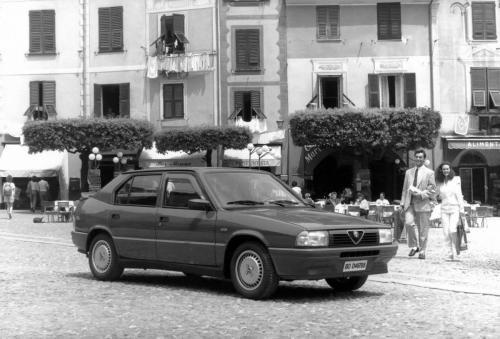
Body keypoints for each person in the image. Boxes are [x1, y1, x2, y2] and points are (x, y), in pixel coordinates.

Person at [400, 149, 436, 260]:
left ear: (424, 159)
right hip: (409, 203)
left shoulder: (429, 173)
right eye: (417, 157)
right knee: (409, 223)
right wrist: (402, 203)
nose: (418, 159)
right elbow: (405, 189)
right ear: (414, 158)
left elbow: (433, 190)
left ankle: (422, 251)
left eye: (421, 157)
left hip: (423, 203)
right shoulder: (408, 172)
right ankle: (414, 246)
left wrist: (421, 194)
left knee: (423, 229)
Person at [435, 162, 465, 261]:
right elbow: (436, 195)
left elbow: (459, 195)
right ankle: (450, 253)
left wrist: (462, 210)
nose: (446, 171)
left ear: (450, 169)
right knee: (446, 232)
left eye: (447, 169)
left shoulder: (455, 180)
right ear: (441, 170)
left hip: (454, 208)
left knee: (452, 229)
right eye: (444, 169)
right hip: (444, 209)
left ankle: (457, 248)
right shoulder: (439, 182)